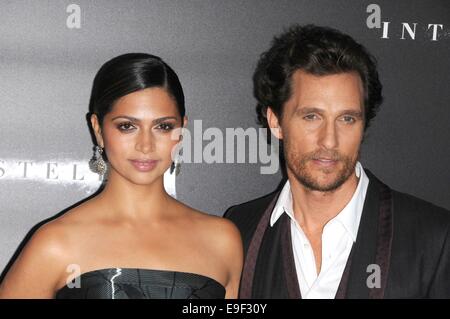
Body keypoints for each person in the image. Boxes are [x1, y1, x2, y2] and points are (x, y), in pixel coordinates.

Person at [225, 24, 450, 299]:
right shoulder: (238, 231)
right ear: (276, 122)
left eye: (347, 119)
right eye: (312, 117)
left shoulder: (434, 238)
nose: (329, 141)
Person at [0, 53, 242, 299]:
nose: (145, 145)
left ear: (181, 130)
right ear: (98, 129)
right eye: (127, 126)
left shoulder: (222, 240)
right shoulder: (57, 242)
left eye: (163, 126)